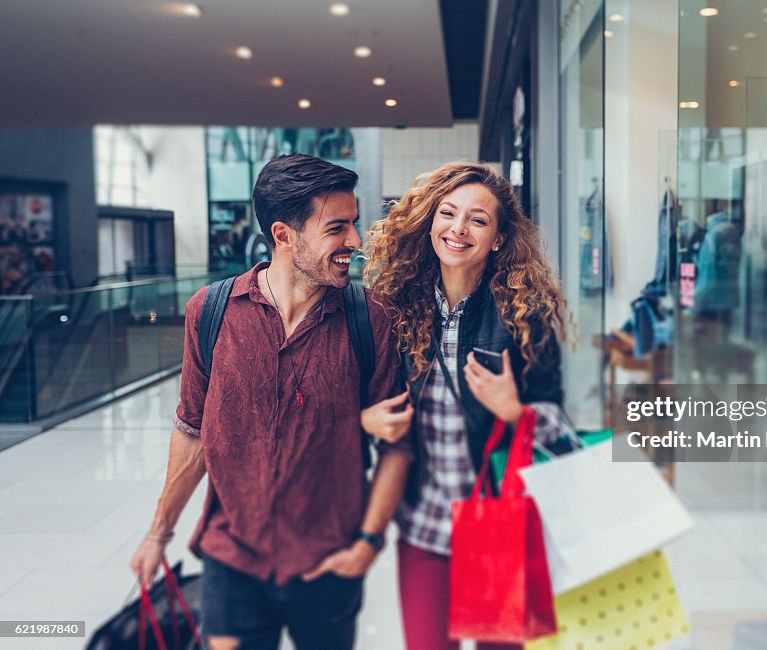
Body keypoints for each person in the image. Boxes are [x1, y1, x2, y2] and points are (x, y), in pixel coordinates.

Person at [130, 154, 414, 650]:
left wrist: (368, 543)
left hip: (329, 558)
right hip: (232, 557)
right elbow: (193, 431)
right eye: (337, 228)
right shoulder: (212, 312)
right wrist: (159, 533)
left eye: (353, 224)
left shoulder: (370, 319)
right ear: (284, 235)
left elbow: (397, 446)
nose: (355, 241)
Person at [363, 162, 574, 650]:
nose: (458, 229)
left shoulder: (525, 313)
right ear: (430, 221)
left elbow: (559, 424)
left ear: (499, 237)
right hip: (424, 525)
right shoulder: (394, 307)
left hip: (498, 523)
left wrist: (514, 412)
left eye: (478, 220)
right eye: (448, 213)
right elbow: (359, 396)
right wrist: (366, 419)